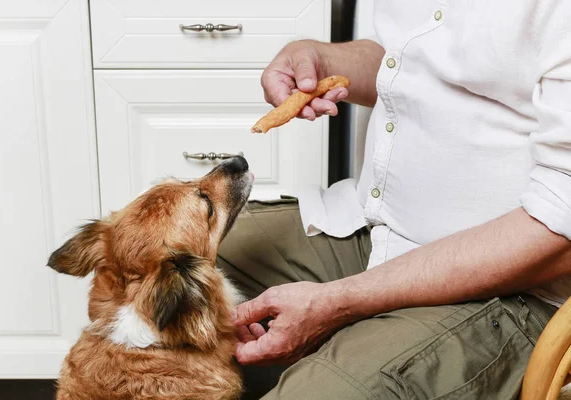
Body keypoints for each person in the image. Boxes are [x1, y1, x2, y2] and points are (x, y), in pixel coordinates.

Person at [217, 2, 571, 399]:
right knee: (164, 263)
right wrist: (321, 58)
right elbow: (403, 59)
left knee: (318, 392)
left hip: (513, 288)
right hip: (373, 226)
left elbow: (560, 228)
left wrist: (344, 300)